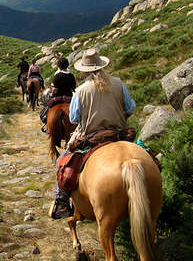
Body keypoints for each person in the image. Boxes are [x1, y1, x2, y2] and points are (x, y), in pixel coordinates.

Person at [49, 48, 136, 220]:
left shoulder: (81, 91)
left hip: (90, 136)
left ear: (85, 70)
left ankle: (62, 202)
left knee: (62, 161)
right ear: (102, 66)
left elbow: (73, 119)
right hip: (119, 133)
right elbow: (130, 107)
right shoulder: (118, 83)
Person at [39, 57, 76, 124]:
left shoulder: (58, 75)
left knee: (48, 106)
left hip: (58, 97)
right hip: (68, 97)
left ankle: (44, 117)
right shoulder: (71, 76)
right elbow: (73, 88)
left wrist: (51, 94)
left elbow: (54, 89)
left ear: (59, 66)